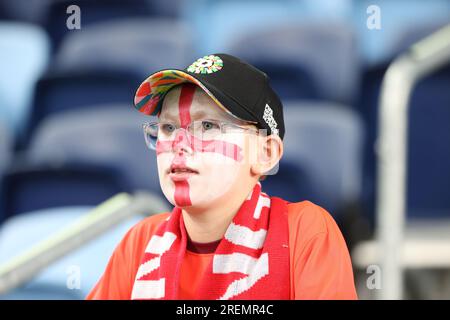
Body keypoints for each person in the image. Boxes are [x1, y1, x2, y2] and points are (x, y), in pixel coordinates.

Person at [86, 54, 357, 300]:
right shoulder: (141, 240)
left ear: (266, 153)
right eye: (168, 127)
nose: (180, 143)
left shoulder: (304, 231)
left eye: (207, 126)